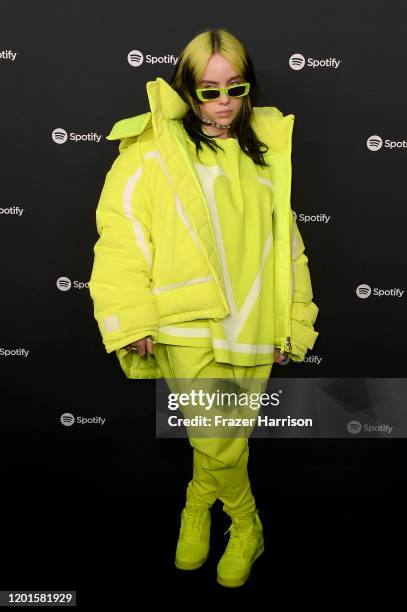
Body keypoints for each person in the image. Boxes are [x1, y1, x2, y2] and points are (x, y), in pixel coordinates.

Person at [88, 28, 319, 588]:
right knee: (213, 434)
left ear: (247, 88)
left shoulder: (267, 156)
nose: (222, 102)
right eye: (208, 90)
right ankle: (245, 523)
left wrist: (294, 320)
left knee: (224, 437)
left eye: (234, 88)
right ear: (188, 90)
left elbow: (286, 246)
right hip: (188, 323)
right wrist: (133, 316)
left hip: (256, 324)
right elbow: (122, 233)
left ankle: (197, 505)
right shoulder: (152, 149)